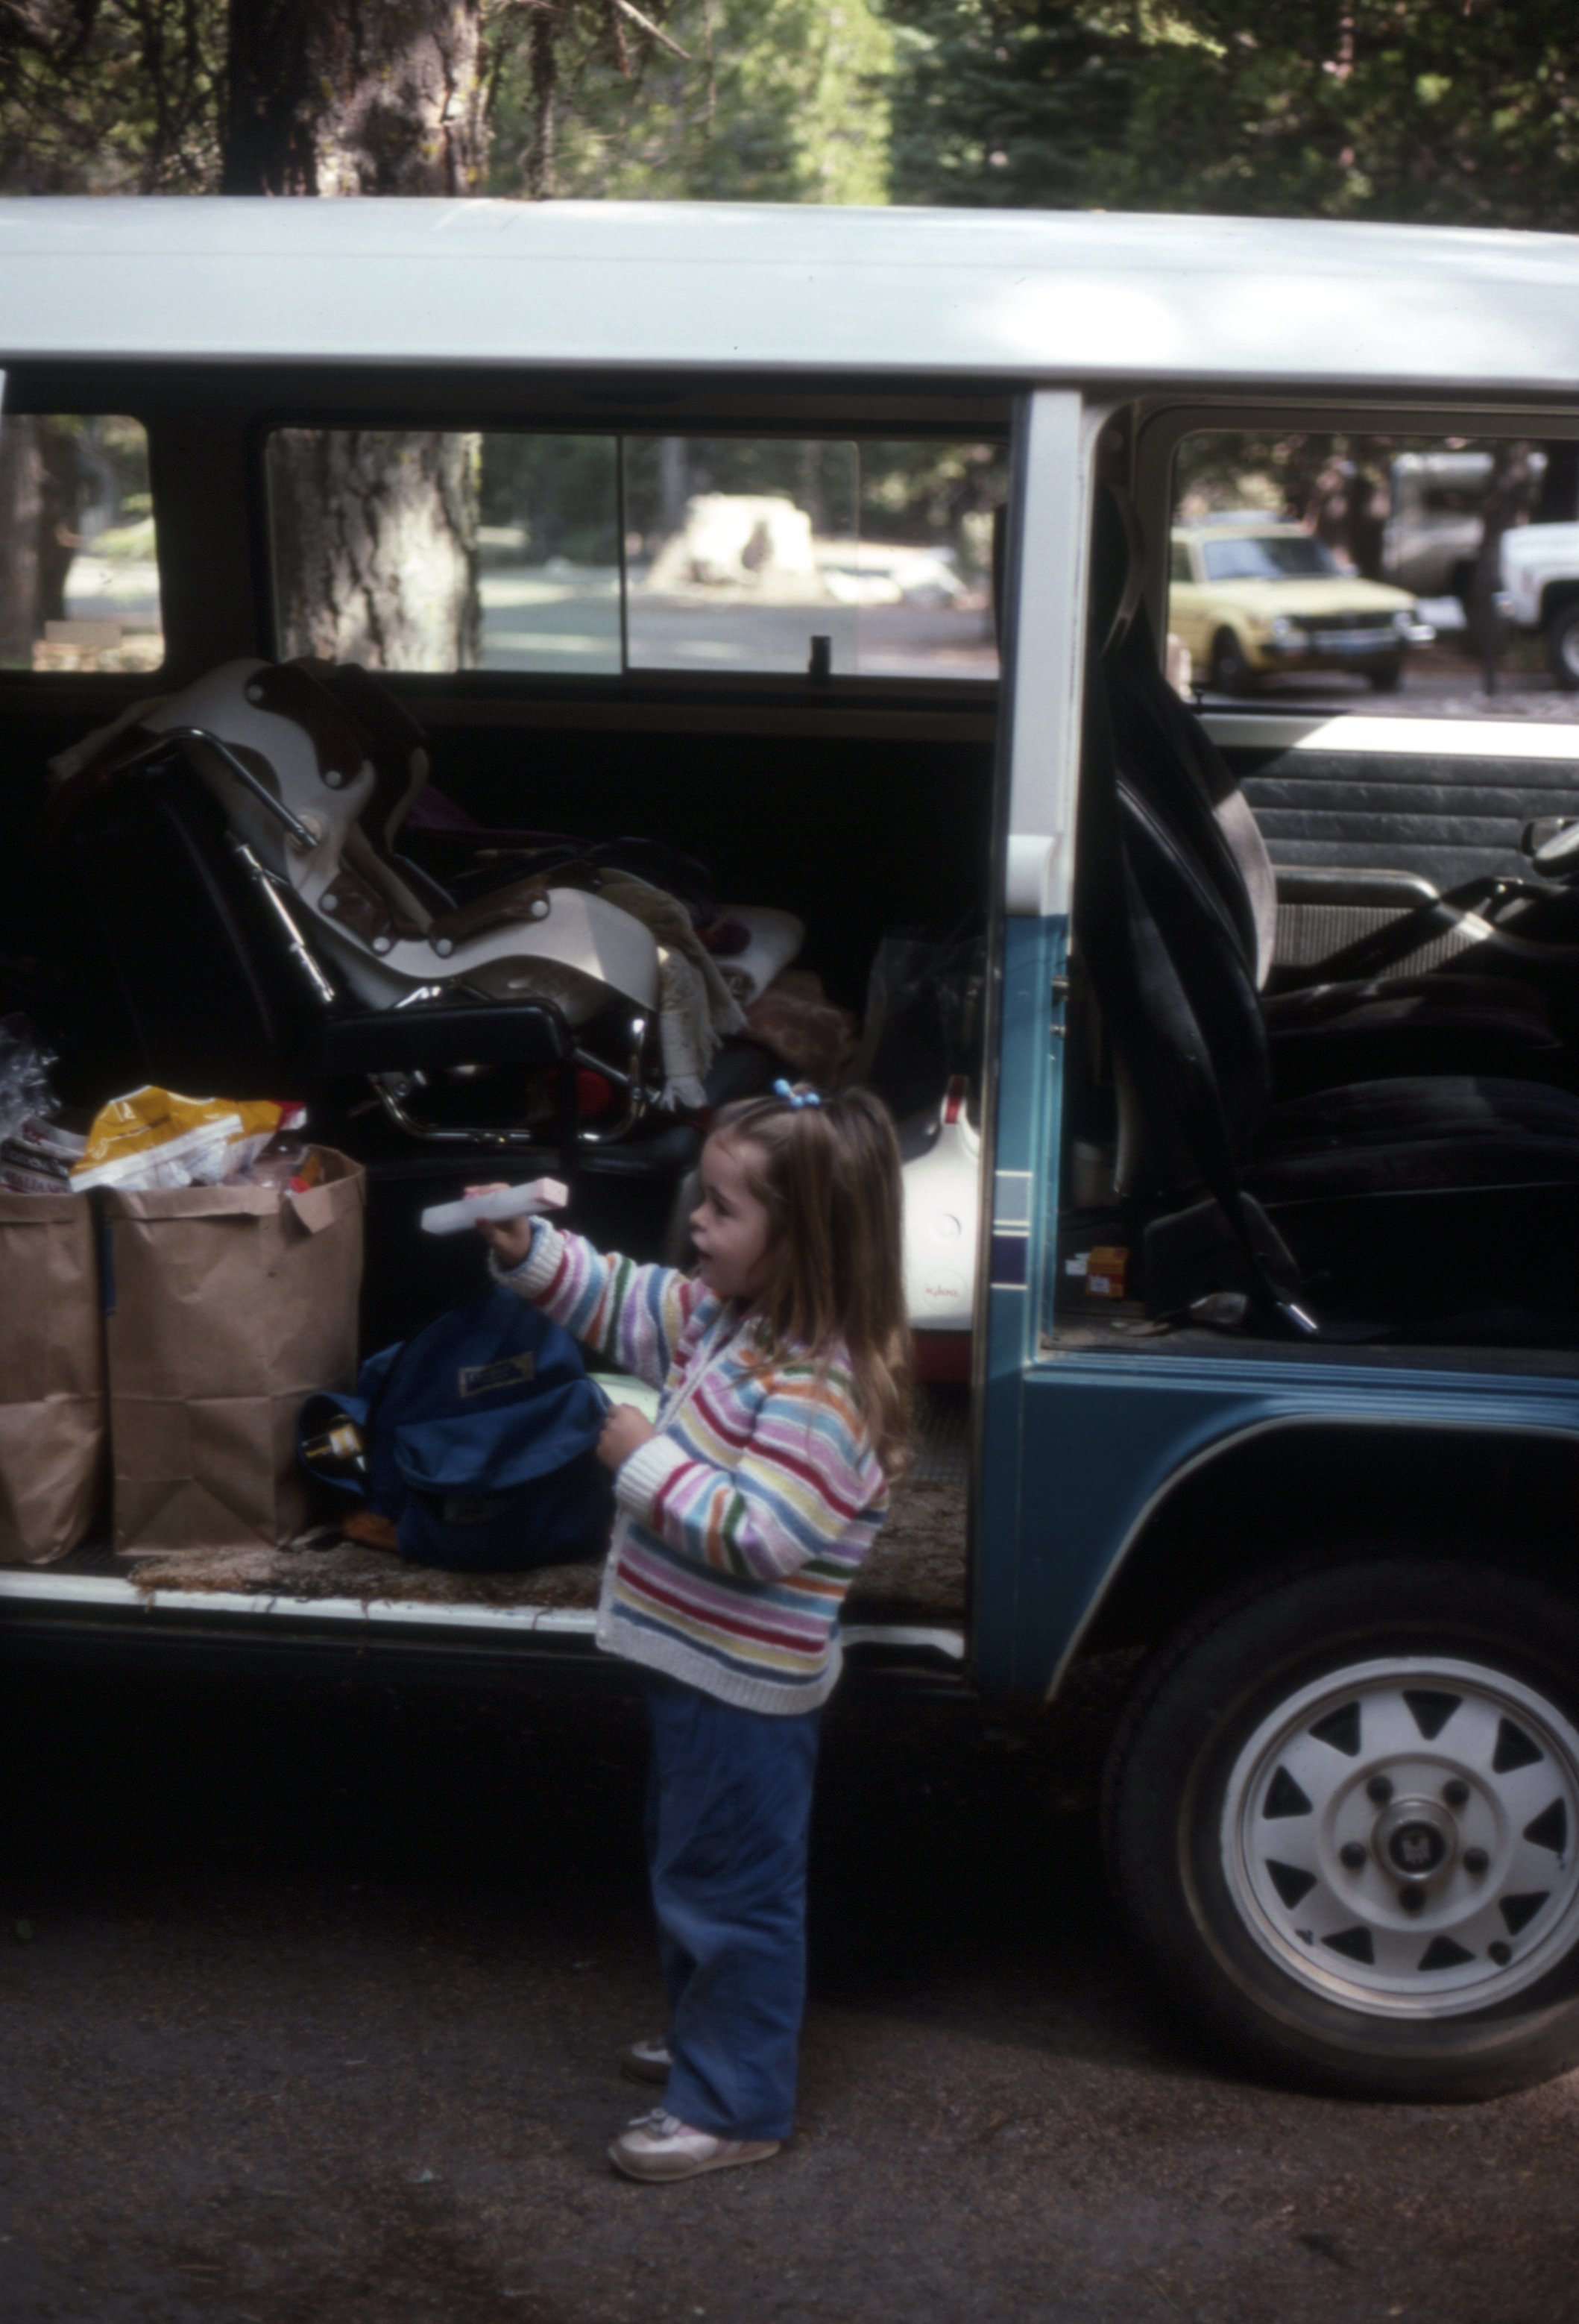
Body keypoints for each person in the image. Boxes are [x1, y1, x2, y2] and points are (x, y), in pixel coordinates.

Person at [473, 1082, 911, 2183]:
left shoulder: (824, 1386)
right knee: (693, 1874)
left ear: (803, 1239)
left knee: (730, 1898)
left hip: (742, 1690)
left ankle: (734, 2104)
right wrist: (532, 1251)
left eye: (722, 1208)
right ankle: (712, 2038)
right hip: (696, 1669)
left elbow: (760, 1533)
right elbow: (630, 1300)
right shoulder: (735, 1320)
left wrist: (642, 1462)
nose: (698, 1225)